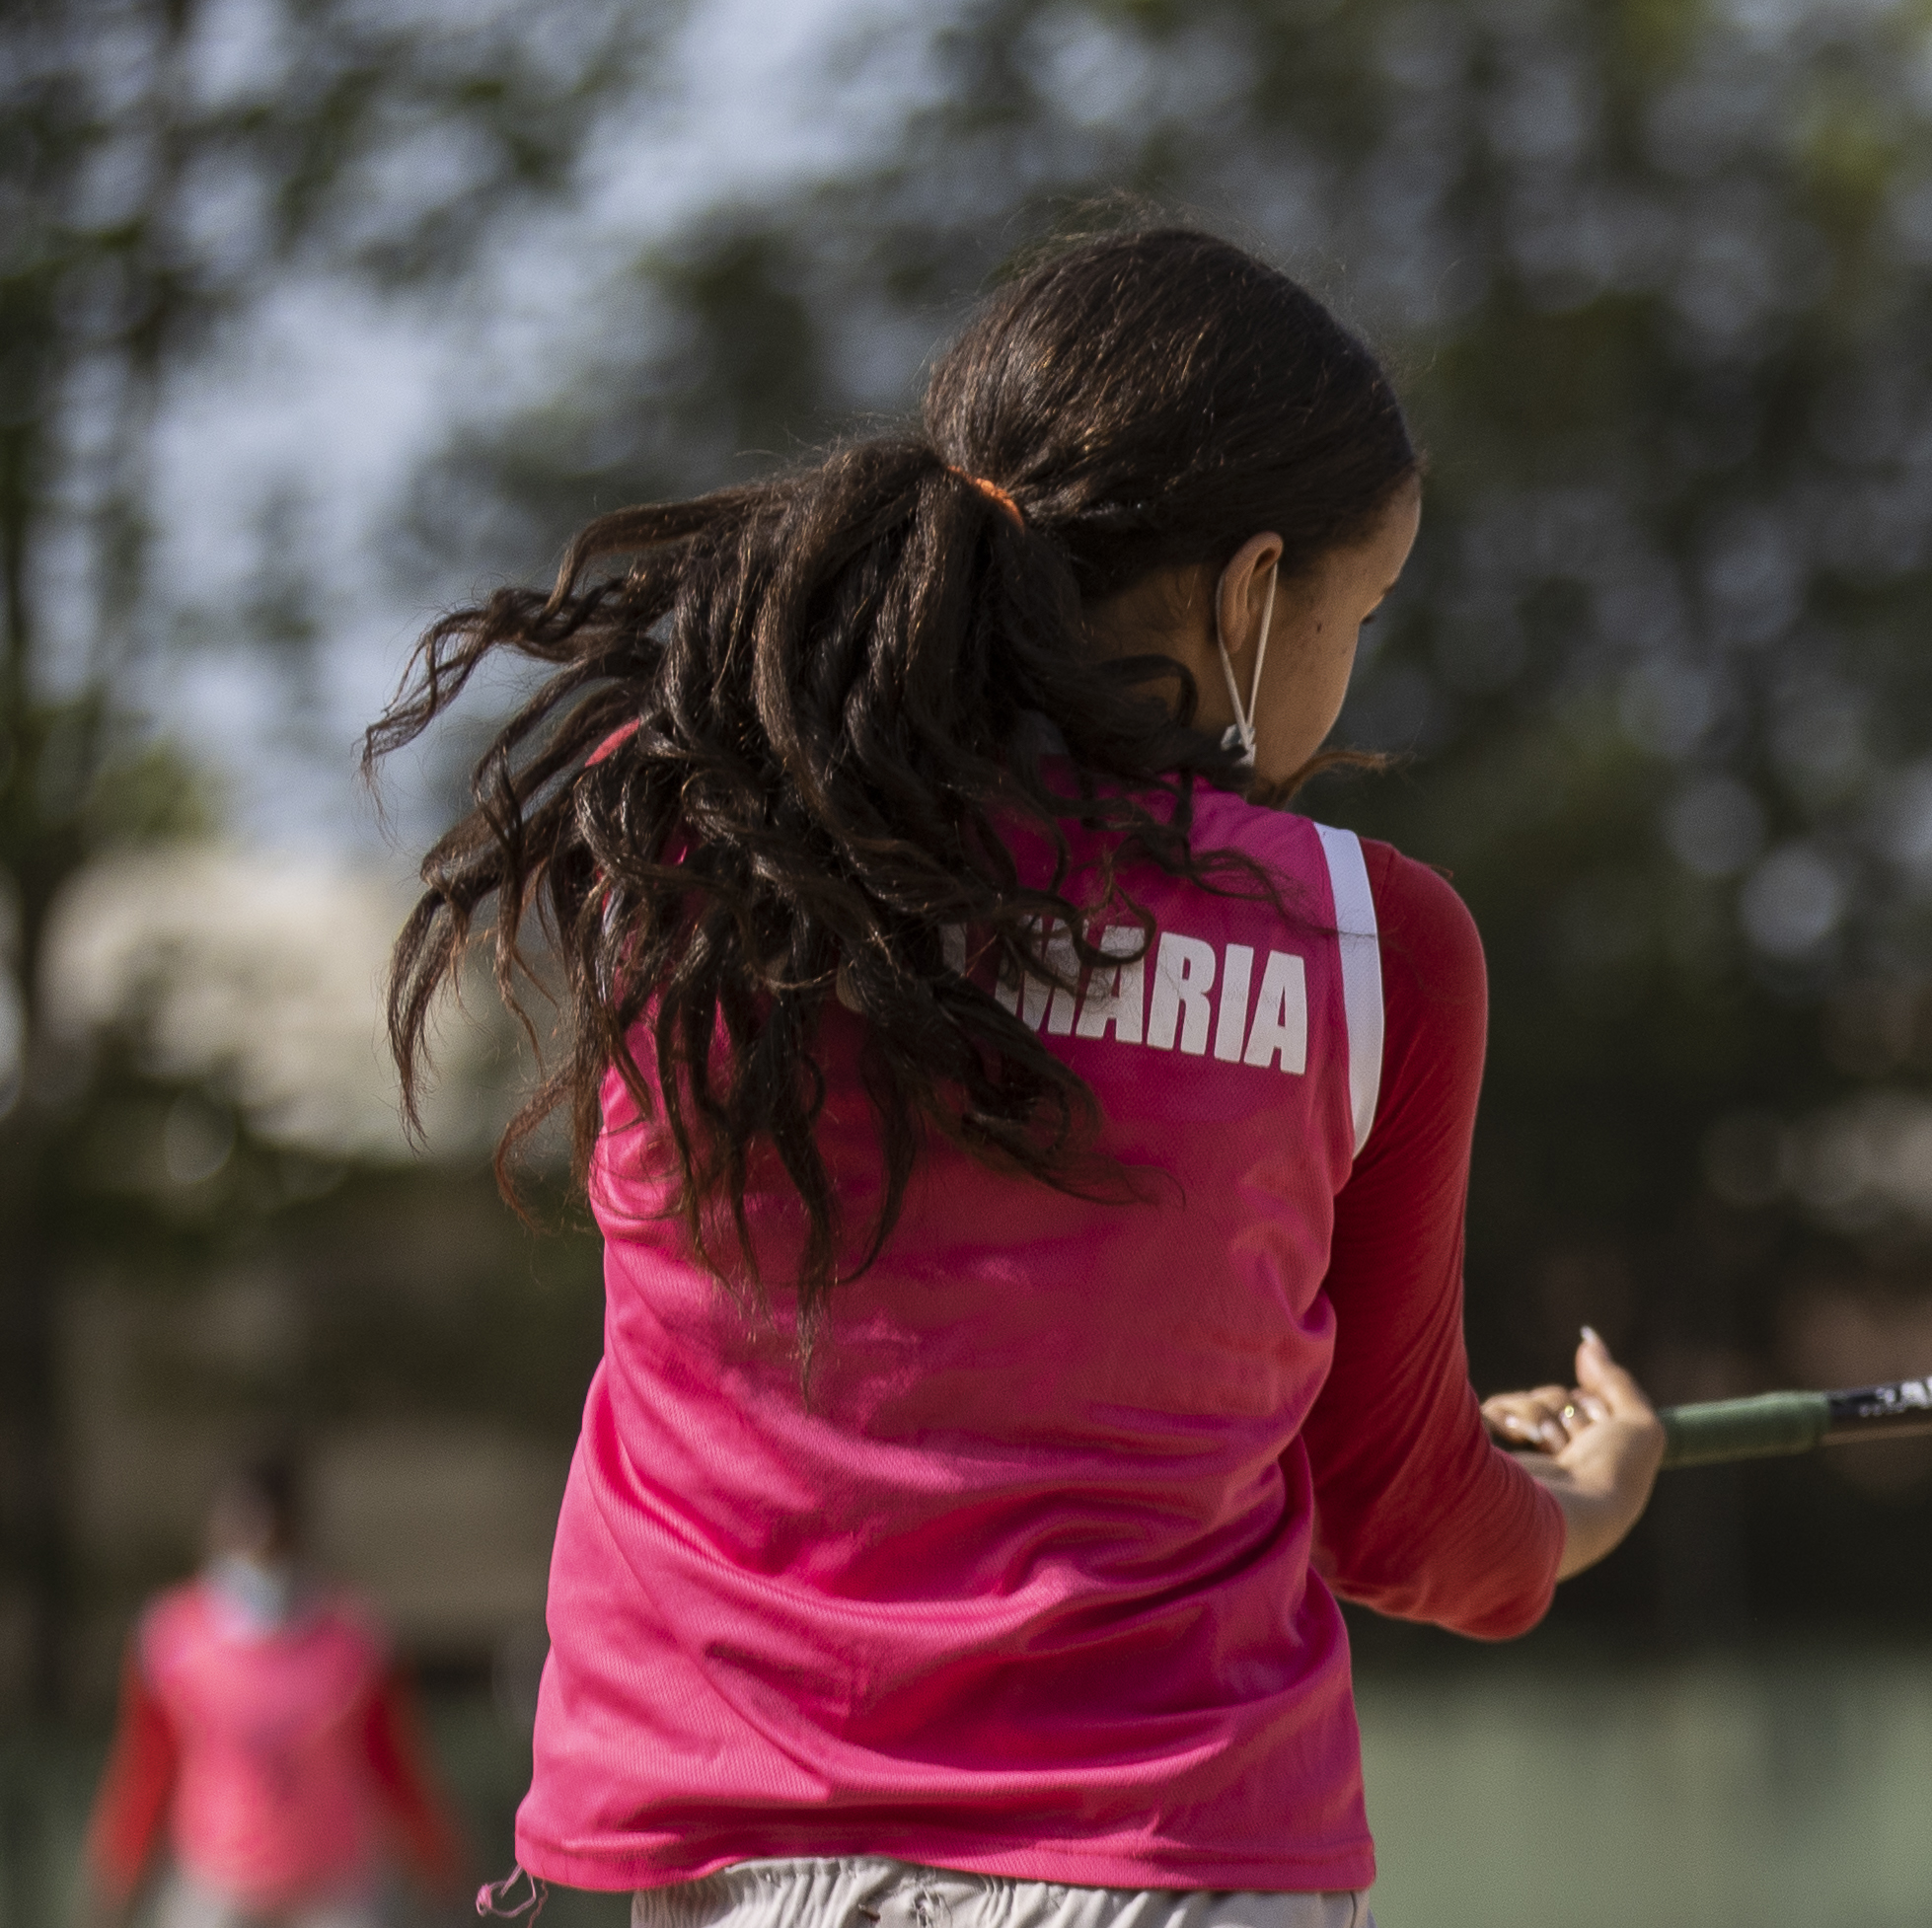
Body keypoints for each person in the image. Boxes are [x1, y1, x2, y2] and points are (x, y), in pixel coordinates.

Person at [370, 227, 1664, 1925]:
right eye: (1360, 608)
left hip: (710, 1862)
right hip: (1163, 1863)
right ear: (1250, 592)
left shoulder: (689, 846)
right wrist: (1583, 1501)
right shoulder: (1371, 942)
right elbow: (1400, 1514)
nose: (1354, 662)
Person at [82, 1453, 465, 1928]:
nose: (259, 1546)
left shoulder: (356, 1639)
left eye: (274, 1529)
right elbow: (148, 1770)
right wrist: (117, 1877)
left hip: (334, 1888)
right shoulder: (171, 1637)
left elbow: (394, 1763)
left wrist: (439, 1863)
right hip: (217, 1886)